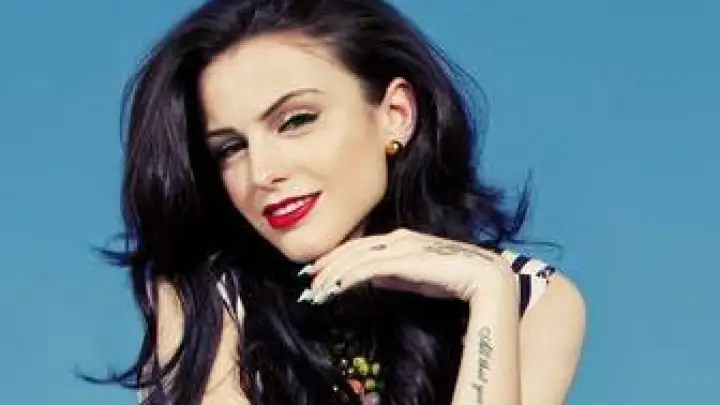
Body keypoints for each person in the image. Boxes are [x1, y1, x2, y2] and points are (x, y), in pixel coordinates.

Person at [101, 0, 586, 404]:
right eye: (231, 148)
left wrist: (488, 290)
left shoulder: (530, 299)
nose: (262, 173)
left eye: (296, 121)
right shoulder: (208, 299)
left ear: (396, 114)